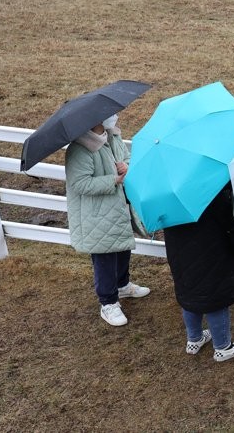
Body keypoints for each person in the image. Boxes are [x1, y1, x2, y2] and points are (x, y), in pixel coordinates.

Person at [65, 121, 151, 327]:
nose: (115, 117)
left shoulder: (113, 136)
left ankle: (122, 285)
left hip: (117, 207)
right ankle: (108, 302)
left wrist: (126, 167)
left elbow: (127, 157)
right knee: (104, 257)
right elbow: (80, 184)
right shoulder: (79, 149)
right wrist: (114, 179)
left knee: (121, 248)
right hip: (96, 215)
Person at [163, 182, 234, 362]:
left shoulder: (165, 191)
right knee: (215, 296)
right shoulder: (207, 187)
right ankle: (223, 347)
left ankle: (194, 339)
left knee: (189, 293)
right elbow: (227, 218)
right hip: (209, 249)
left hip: (178, 250)